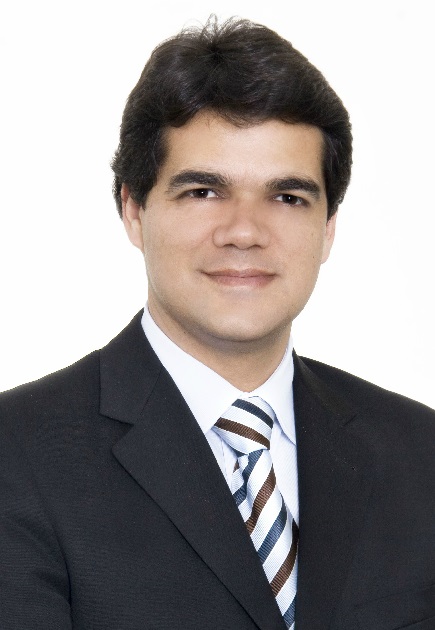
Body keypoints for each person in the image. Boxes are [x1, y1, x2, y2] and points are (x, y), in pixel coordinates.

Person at [0, 15, 434, 630]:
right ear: (133, 209)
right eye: (203, 192)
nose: (244, 232)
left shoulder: (419, 454)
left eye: (287, 197)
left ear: (328, 228)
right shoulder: (16, 455)